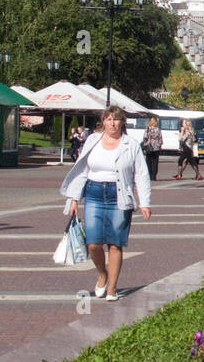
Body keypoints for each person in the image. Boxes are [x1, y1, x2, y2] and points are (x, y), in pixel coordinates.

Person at [61, 105, 151, 302]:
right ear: (103, 122)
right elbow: (81, 170)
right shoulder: (93, 140)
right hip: (94, 192)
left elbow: (142, 174)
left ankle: (112, 287)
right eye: (109, 119)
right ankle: (102, 274)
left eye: (116, 119)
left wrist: (145, 202)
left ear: (122, 122)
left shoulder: (131, 144)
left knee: (115, 243)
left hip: (119, 194)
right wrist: (74, 198)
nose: (112, 123)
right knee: (93, 244)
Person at [142, 116, 163, 181]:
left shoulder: (148, 129)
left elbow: (145, 137)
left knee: (148, 161)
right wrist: (159, 146)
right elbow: (160, 139)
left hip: (149, 146)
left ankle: (150, 175)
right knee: (155, 162)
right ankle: (154, 176)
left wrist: (145, 144)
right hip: (156, 147)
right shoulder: (158, 129)